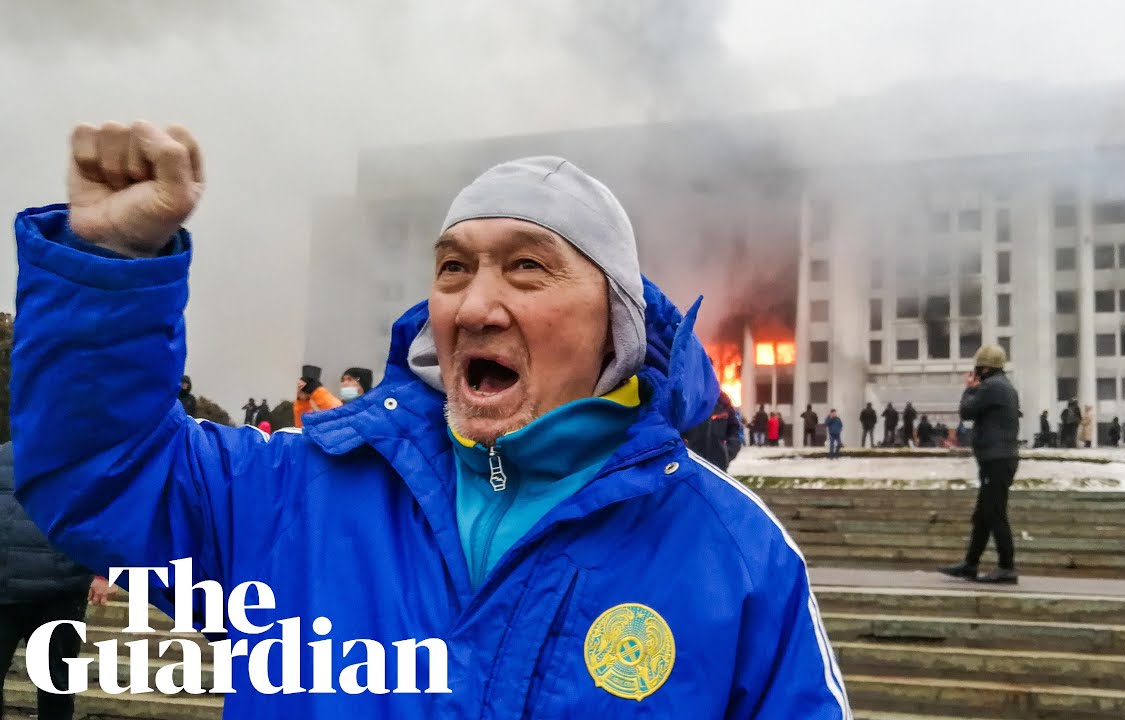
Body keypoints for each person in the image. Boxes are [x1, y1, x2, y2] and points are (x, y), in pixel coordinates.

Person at [10, 126, 849, 718]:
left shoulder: (735, 555)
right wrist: (109, 269)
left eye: (528, 267)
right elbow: (101, 470)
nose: (477, 303)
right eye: (453, 268)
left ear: (615, 326)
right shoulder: (294, 495)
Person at [1, 442, 116, 720]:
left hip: (59, 592)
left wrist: (103, 572)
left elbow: (105, 515)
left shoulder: (86, 458)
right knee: (57, 688)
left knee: (57, 688)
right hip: (13, 590)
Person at [940, 345, 1021, 585]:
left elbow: (966, 412)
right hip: (999, 458)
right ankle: (970, 564)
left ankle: (1007, 567)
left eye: (978, 369)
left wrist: (969, 389)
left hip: (996, 459)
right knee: (983, 515)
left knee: (995, 513)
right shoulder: (1003, 385)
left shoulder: (991, 386)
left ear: (984, 368)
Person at [683, 390, 744, 472]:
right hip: (692, 466)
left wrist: (727, 452)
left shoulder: (722, 401)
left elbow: (735, 430)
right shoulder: (687, 400)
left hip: (718, 466)